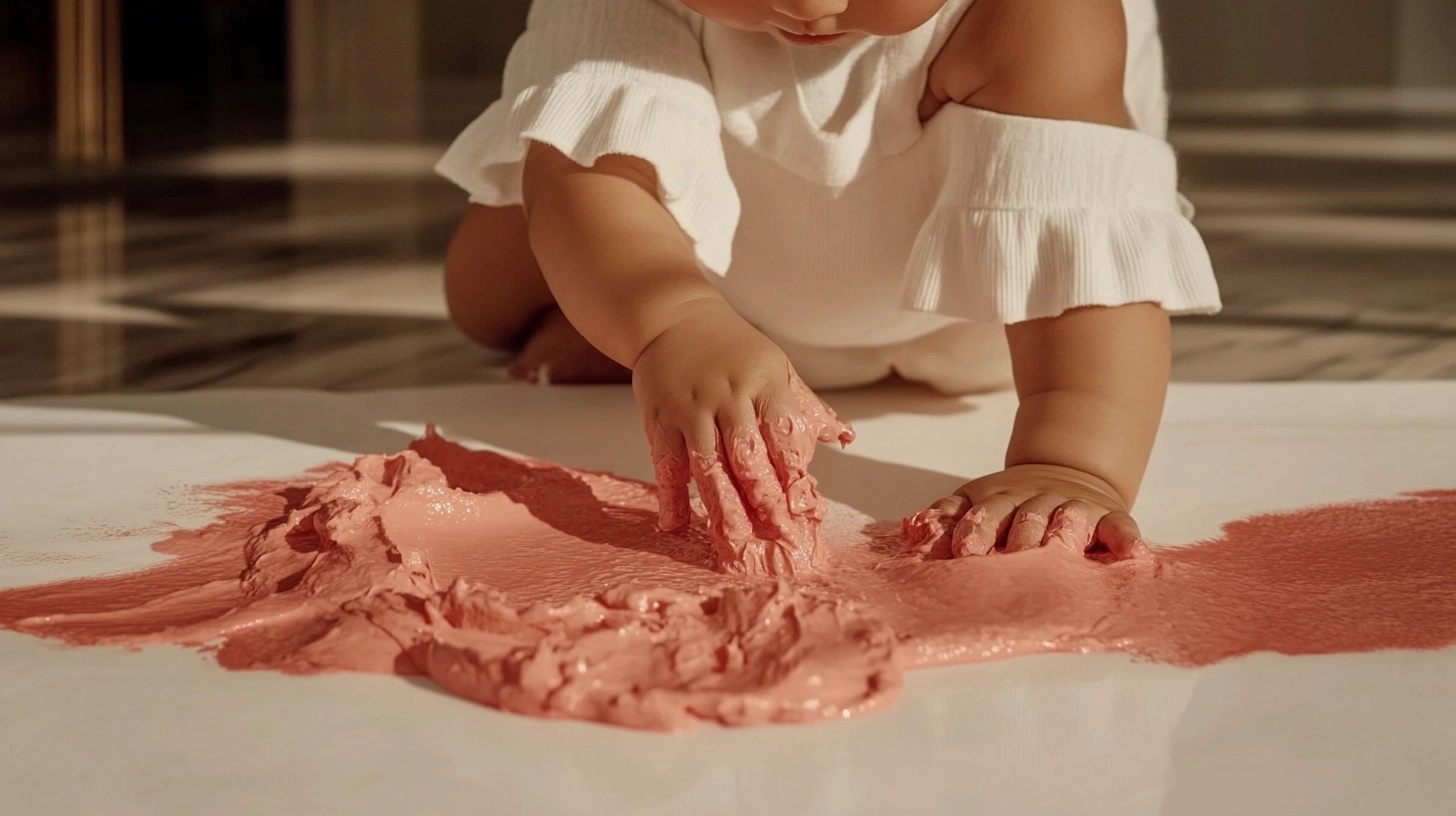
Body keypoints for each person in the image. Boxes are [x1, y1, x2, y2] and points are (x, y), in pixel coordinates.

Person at [436, 0, 1220, 569]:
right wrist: (670, 321)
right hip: (707, 275)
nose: (809, 4)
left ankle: (636, 319)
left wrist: (1071, 466)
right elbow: (598, 179)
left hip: (969, 311)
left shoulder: (1040, 16)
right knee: (494, 272)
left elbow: (1079, 241)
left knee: (1062, 279)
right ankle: (623, 321)